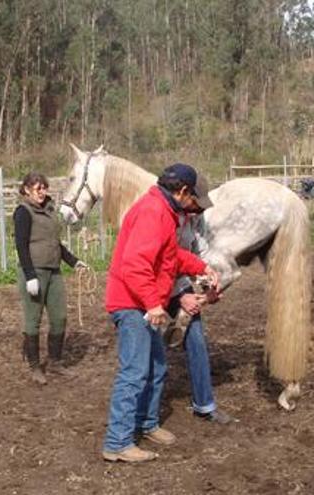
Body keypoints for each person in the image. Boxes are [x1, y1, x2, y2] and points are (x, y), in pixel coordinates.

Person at [101, 163, 219, 463]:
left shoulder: (166, 214)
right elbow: (135, 264)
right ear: (182, 192)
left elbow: (171, 255)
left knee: (156, 367)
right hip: (131, 304)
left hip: (141, 300)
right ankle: (117, 442)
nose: (195, 209)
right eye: (194, 201)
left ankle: (146, 423)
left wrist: (201, 266)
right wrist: (154, 304)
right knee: (134, 372)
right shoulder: (153, 213)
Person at [14, 172, 88, 385]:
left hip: (54, 271)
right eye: (38, 189)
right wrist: (30, 276)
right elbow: (21, 246)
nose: (42, 192)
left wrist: (74, 261)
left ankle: (55, 362)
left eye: (44, 188)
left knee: (59, 318)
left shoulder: (49, 211)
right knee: (33, 320)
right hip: (34, 272)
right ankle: (35, 366)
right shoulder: (23, 212)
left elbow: (56, 243)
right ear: (27, 190)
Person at [168, 209, 237, 425]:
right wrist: (180, 297)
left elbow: (199, 254)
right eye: (198, 205)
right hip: (158, 291)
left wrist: (208, 283)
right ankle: (144, 414)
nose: (201, 211)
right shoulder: (166, 219)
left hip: (181, 287)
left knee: (197, 344)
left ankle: (205, 405)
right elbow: (163, 261)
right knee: (153, 355)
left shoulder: (195, 220)